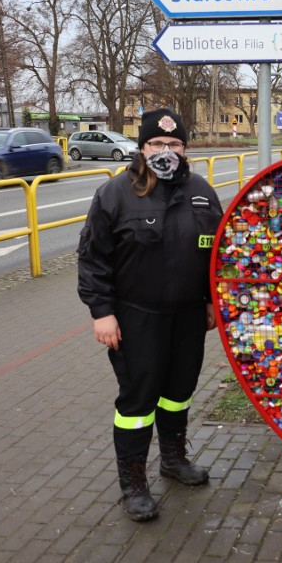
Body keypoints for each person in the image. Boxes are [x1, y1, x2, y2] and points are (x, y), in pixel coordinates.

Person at [77, 108, 224, 521]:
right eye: (156, 144)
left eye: (174, 144)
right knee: (137, 403)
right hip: (135, 316)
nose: (165, 151)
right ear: (141, 148)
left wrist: (212, 301)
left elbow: (216, 254)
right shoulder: (116, 193)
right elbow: (92, 258)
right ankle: (133, 483)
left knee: (178, 394)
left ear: (184, 148)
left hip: (188, 316)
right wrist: (101, 312)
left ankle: (174, 461)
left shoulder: (200, 190)